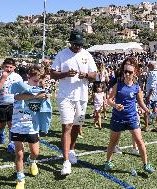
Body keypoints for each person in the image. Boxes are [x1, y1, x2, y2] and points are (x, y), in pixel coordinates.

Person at [51, 30, 97, 175]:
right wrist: (65, 74)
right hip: (65, 97)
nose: (78, 47)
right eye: (76, 44)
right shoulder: (62, 54)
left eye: (80, 45)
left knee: (77, 126)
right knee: (67, 126)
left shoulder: (86, 55)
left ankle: (71, 150)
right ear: (70, 42)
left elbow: (94, 75)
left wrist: (86, 75)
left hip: (82, 97)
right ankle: (65, 162)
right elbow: (52, 73)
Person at [104, 57, 155, 174]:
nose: (127, 74)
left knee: (140, 141)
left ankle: (146, 164)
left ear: (134, 73)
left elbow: (141, 102)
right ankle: (108, 162)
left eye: (130, 72)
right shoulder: (118, 85)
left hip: (132, 118)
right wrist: (115, 105)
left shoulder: (137, 87)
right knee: (113, 142)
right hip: (118, 118)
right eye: (125, 71)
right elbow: (109, 100)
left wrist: (147, 110)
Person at [9, 65, 47, 189]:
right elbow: (17, 97)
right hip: (17, 124)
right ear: (28, 77)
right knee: (19, 155)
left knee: (35, 152)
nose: (37, 83)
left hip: (32, 126)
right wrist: (36, 96)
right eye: (35, 81)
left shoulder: (40, 89)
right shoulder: (20, 86)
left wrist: (45, 96)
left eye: (39, 81)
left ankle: (32, 161)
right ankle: (20, 179)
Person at [0, 58, 23, 153]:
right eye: (7, 67)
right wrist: (3, 78)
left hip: (13, 104)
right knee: (0, 125)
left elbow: (22, 88)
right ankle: (1, 133)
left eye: (11, 67)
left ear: (14, 67)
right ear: (3, 66)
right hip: (1, 104)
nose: (9, 69)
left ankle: (11, 144)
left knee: (12, 124)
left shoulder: (18, 77)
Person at [143, 61, 157, 132]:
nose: (148, 67)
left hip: (151, 94)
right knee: (156, 110)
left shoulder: (152, 74)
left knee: (146, 110)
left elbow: (152, 86)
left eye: (149, 66)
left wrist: (149, 96)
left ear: (151, 66)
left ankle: (146, 127)